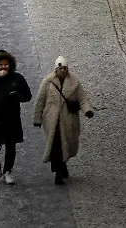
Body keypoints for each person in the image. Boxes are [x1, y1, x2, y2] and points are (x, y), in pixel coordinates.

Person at [34, 56, 94, 184]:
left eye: (65, 68)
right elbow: (40, 101)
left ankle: (63, 164)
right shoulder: (48, 82)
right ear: (56, 69)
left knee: (68, 143)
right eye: (61, 68)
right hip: (52, 120)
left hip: (68, 119)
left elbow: (82, 97)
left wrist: (87, 110)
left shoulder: (74, 82)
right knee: (56, 146)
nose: (63, 70)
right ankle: (58, 172)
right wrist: (37, 118)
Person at [0, 49, 32, 184]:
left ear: (11, 65)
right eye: (1, 64)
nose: (4, 67)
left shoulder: (18, 78)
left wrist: (15, 96)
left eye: (6, 64)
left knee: (10, 146)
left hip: (11, 118)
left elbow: (27, 96)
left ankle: (8, 171)